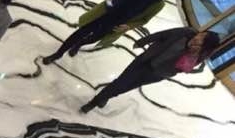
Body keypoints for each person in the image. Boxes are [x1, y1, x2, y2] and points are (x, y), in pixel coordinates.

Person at [42, 0, 177, 65]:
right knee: (81, 32)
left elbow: (144, 20)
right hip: (106, 11)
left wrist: (128, 26)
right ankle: (58, 54)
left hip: (118, 22)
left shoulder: (158, 3)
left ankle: (79, 45)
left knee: (94, 38)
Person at [80, 28, 221, 113]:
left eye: (203, 39)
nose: (199, 37)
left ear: (206, 45)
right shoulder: (186, 32)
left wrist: (191, 53)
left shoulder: (199, 55)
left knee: (128, 86)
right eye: (202, 34)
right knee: (121, 82)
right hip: (145, 60)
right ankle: (93, 102)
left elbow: (183, 68)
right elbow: (163, 34)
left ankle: (106, 96)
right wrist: (143, 41)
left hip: (156, 74)